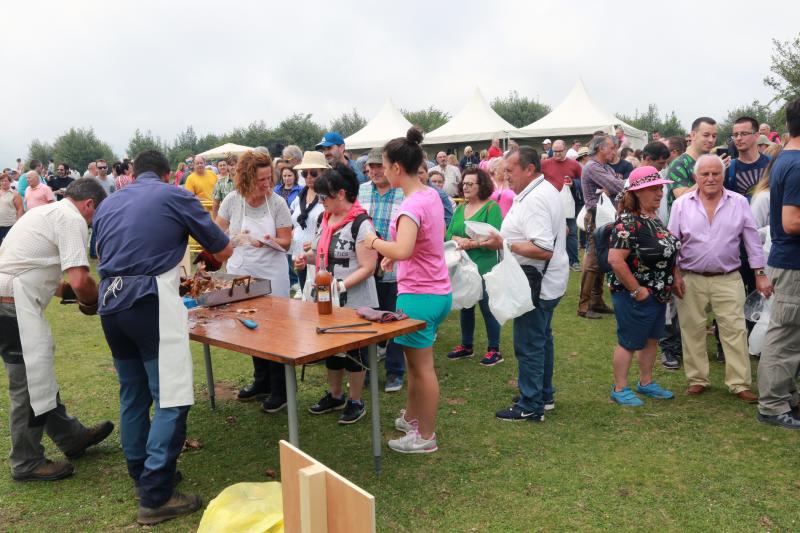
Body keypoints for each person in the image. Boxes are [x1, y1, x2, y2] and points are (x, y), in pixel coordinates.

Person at [93, 150, 232, 524]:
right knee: (170, 396)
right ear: (170, 174)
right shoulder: (175, 194)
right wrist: (210, 260)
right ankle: (156, 494)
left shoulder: (110, 202)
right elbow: (222, 248)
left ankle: (142, 471)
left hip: (110, 300)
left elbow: (100, 251)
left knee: (133, 391)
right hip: (149, 299)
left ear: (134, 173)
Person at [0, 178, 114, 482]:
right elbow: (79, 280)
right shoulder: (70, 219)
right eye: (95, 216)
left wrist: (74, 294)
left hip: (9, 298)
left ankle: (70, 436)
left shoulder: (45, 213)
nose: (93, 223)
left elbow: (35, 271)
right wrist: (95, 301)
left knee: (38, 374)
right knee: (28, 383)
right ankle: (26, 461)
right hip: (13, 304)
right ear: (89, 205)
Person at [363, 127, 452, 453]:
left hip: (419, 296)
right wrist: (393, 259)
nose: (382, 172)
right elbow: (419, 245)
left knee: (423, 369)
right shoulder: (429, 195)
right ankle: (413, 416)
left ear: (397, 169)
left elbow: (402, 249)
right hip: (437, 291)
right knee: (416, 366)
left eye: (384, 166)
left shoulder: (409, 206)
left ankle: (425, 435)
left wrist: (375, 243)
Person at [669, 154, 771, 402]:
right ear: (696, 177)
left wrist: (759, 274)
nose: (711, 178)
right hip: (691, 277)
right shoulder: (681, 204)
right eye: (705, 174)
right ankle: (697, 379)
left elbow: (752, 241)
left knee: (734, 330)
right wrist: (674, 274)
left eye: (716, 173)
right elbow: (672, 243)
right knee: (691, 329)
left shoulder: (738, 202)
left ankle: (739, 383)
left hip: (728, 277)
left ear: (723, 176)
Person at [483, 146, 569, 421]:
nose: (506, 176)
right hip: (546, 280)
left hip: (537, 283)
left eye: (510, 170)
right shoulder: (540, 191)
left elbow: (543, 247)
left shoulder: (535, 199)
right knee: (541, 338)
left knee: (529, 341)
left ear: (530, 169)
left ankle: (531, 404)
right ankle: (542, 394)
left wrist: (503, 242)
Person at [295, 164, 379, 424]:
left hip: (354, 300)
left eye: (325, 197)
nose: (322, 202)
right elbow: (323, 254)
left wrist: (341, 286)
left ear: (340, 194)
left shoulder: (361, 224)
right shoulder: (324, 219)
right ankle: (335, 395)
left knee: (354, 350)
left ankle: (355, 400)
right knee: (331, 348)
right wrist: (306, 259)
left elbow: (368, 266)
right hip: (326, 299)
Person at [216, 151, 293, 408]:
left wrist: (268, 241)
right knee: (251, 325)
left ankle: (280, 390)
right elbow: (217, 234)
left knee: (275, 331)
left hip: (272, 272)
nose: (266, 183)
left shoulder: (278, 203)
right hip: (243, 270)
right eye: (261, 179)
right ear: (247, 178)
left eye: (269, 177)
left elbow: (286, 240)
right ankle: (262, 380)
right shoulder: (232, 200)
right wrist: (233, 239)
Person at [607, 167, 681, 406]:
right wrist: (636, 290)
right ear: (637, 192)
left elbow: (668, 251)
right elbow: (615, 260)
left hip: (658, 292)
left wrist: (675, 276)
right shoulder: (628, 222)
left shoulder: (653, 218)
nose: (659, 193)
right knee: (629, 341)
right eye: (653, 189)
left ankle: (646, 383)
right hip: (635, 294)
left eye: (660, 188)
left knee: (651, 339)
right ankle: (620, 388)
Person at [756, 99, 800, 429]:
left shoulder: (786, 157)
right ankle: (772, 406)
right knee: (785, 334)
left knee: (791, 333)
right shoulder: (796, 164)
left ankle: (787, 397)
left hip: (789, 262)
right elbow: (791, 221)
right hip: (792, 263)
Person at [358, 147, 406, 392]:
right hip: (368, 267)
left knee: (395, 320)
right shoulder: (363, 190)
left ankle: (395, 372)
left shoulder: (403, 191)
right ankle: (366, 372)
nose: (374, 171)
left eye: (379, 166)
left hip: (396, 267)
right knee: (369, 319)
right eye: (371, 166)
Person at [445, 167, 504, 366]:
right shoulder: (460, 208)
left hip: (485, 266)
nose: (466, 187)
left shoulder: (491, 208)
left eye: (471, 183)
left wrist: (473, 243)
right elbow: (448, 235)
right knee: (465, 304)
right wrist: (458, 238)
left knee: (487, 307)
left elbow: (497, 240)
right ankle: (466, 346)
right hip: (463, 266)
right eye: (464, 183)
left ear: (482, 186)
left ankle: (494, 349)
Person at [578, 135, 623, 319]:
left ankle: (595, 302)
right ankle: (584, 306)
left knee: (599, 260)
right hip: (597, 217)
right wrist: (614, 184)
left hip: (604, 216)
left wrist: (614, 184)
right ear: (600, 148)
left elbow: (615, 183)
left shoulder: (603, 167)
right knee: (593, 261)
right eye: (612, 148)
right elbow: (617, 184)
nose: (614, 152)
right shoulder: (592, 167)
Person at [290, 151, 329, 296]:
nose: (308, 177)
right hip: (299, 255)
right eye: (304, 174)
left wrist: (315, 244)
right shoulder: (300, 195)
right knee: (306, 300)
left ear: (324, 173)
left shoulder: (328, 196)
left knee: (321, 297)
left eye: (313, 173)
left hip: (319, 258)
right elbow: (295, 221)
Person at [542, 140, 582, 271]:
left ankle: (574, 261)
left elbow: (582, 181)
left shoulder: (574, 165)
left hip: (568, 204)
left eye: (560, 151)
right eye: (555, 151)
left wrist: (573, 183)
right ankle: (550, 260)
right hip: (550, 203)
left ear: (565, 150)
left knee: (571, 232)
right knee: (549, 232)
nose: (557, 154)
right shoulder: (545, 164)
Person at [666, 117, 720, 211]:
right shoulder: (679, 164)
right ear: (693, 135)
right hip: (684, 223)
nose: (711, 140)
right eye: (706, 135)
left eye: (714, 136)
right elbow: (682, 198)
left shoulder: (714, 162)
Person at [416, 164, 453, 228]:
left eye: (420, 173)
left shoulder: (439, 194)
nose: (417, 176)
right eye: (413, 173)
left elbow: (448, 220)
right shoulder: (408, 190)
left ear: (427, 174)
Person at [0, 173, 23, 244]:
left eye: (6, 181)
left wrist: (18, 222)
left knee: (9, 244)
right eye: (2, 181)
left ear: (10, 182)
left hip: (10, 224)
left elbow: (20, 208)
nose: (4, 183)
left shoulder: (15, 194)